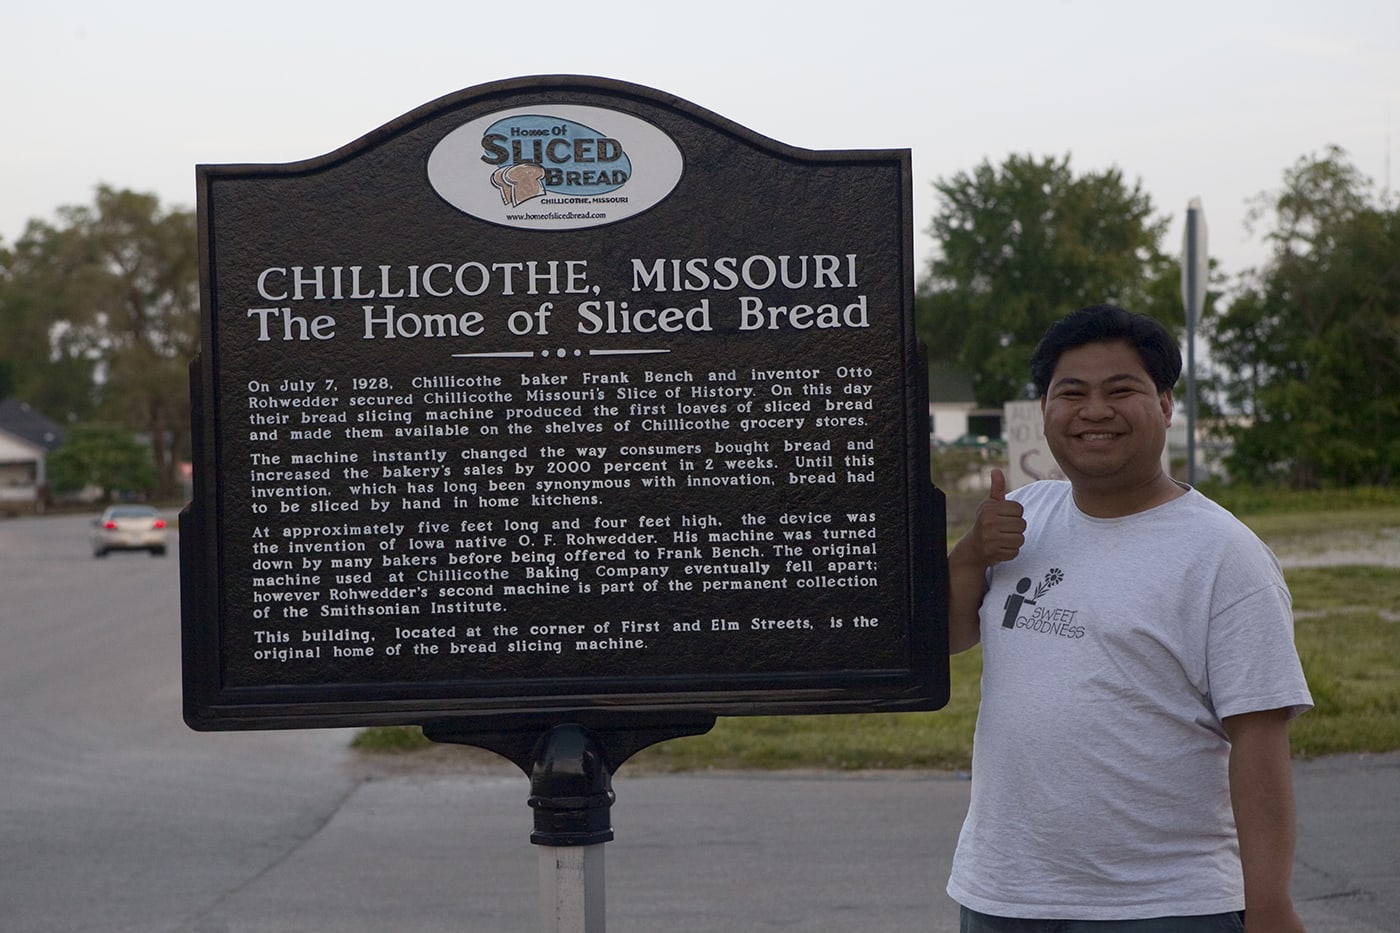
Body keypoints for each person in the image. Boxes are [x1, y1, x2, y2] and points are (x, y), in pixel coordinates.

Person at [945, 304, 1312, 933]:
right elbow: (948, 638)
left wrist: (1270, 902)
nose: (1095, 411)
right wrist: (973, 552)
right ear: (1045, 409)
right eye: (1072, 393)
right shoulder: (1026, 515)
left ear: (1165, 404)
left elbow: (1259, 738)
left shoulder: (1225, 556)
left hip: (1163, 905)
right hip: (1004, 891)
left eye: (1122, 390)